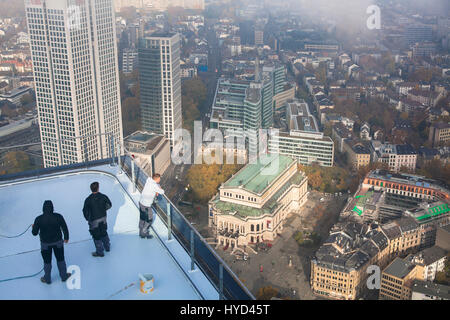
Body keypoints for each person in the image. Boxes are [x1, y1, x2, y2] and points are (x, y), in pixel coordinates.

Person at [32, 200, 71, 284]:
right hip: (58, 243)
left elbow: (34, 233)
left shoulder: (38, 219)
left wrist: (34, 227)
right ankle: (64, 276)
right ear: (52, 208)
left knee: (47, 261)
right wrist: (66, 237)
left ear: (43, 208)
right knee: (60, 259)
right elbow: (64, 227)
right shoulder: (58, 216)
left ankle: (47, 279)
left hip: (45, 244)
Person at [83, 182, 112, 257]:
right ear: (98, 188)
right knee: (104, 231)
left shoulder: (88, 200)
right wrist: (103, 210)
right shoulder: (103, 196)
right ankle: (107, 247)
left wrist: (88, 218)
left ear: (91, 189)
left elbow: (85, 211)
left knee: (96, 235)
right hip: (103, 217)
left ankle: (100, 252)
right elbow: (109, 205)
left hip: (94, 220)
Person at [139, 173, 165, 239]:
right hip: (146, 205)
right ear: (157, 179)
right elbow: (162, 192)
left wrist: (157, 186)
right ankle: (144, 232)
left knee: (142, 217)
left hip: (141, 202)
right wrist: (159, 188)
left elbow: (156, 185)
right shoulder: (154, 185)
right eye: (159, 179)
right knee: (149, 219)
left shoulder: (149, 180)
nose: (160, 180)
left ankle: (141, 231)